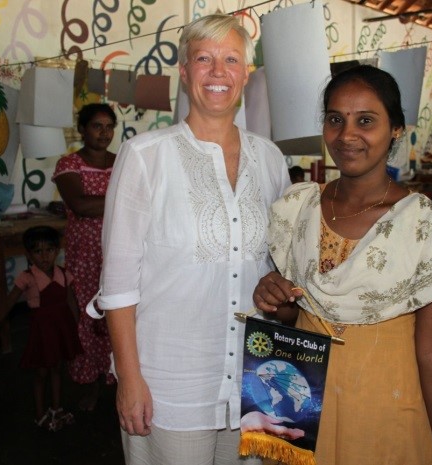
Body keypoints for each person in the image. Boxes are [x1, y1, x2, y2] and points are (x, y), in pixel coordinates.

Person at [252, 65, 432, 465]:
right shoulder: (298, 208)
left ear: (396, 129)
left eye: (365, 121)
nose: (347, 135)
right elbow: (295, 315)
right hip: (303, 405)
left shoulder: (425, 226)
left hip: (386, 407)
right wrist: (272, 294)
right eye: (335, 120)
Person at [94, 14, 290, 465]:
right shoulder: (145, 156)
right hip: (171, 386)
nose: (218, 71)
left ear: (246, 74)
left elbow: (279, 264)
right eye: (204, 59)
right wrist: (129, 380)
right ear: (184, 72)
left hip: (257, 383)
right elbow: (118, 284)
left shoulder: (271, 159)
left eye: (231, 59)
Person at [0, 226, 82, 431]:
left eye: (49, 250)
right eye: (38, 251)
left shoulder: (64, 273)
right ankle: (40, 414)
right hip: (42, 333)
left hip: (61, 329)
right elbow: (8, 303)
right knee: (41, 373)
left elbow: (71, 301)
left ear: (57, 250)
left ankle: (56, 408)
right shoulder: (27, 277)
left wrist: (78, 327)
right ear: (28, 254)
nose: (44, 256)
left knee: (57, 369)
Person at [53, 102, 117, 411]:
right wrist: (125, 200)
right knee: (88, 316)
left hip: (119, 249)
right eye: (97, 126)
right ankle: (91, 384)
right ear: (82, 129)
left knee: (120, 313)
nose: (104, 133)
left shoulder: (122, 161)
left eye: (109, 127)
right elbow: (80, 205)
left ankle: (120, 380)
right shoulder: (70, 164)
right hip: (86, 254)